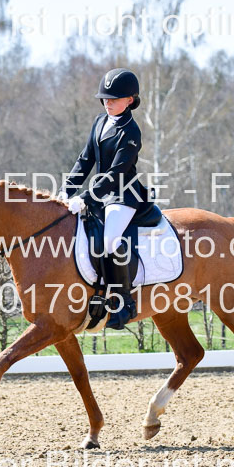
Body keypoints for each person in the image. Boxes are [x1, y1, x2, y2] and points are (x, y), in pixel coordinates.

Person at [59, 68, 150, 330]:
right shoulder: (100, 122)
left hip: (123, 196)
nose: (107, 102)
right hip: (100, 196)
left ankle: (123, 303)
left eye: (113, 98)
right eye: (104, 98)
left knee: (110, 241)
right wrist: (67, 190)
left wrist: (86, 197)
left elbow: (115, 174)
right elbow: (85, 159)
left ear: (129, 100)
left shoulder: (131, 131)